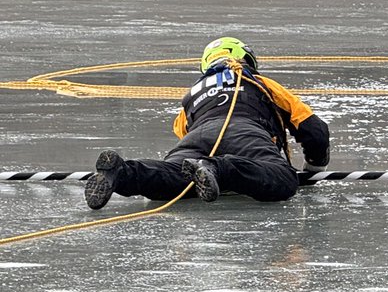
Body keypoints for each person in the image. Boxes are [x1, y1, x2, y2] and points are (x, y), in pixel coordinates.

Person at [84, 37, 331, 209]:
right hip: (246, 131)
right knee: (283, 181)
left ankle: (122, 173)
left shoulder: (193, 93)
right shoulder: (261, 83)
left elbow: (181, 130)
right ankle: (218, 169)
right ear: (247, 58)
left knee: (177, 179)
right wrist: (313, 170)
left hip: (196, 138)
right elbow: (314, 130)